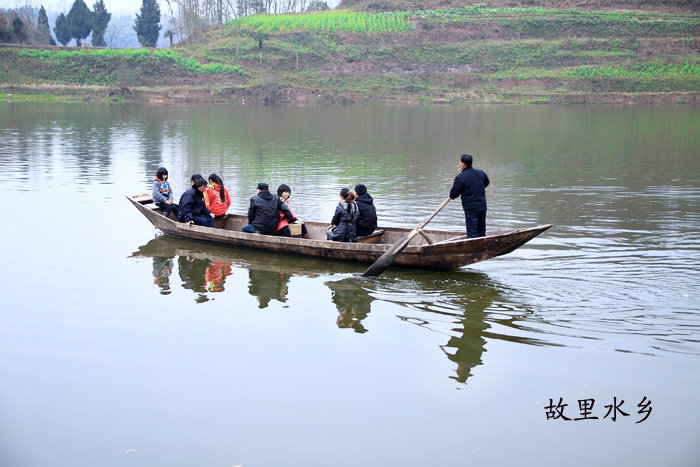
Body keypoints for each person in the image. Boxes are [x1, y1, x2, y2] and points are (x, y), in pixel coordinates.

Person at [449, 154, 490, 238]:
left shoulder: (460, 177)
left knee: (472, 232)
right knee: (481, 231)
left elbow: (453, 194)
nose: (460, 164)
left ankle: (475, 249)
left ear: (463, 164)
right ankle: (482, 247)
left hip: (471, 209)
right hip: (482, 206)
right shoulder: (481, 173)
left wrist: (452, 194)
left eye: (460, 162)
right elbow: (486, 183)